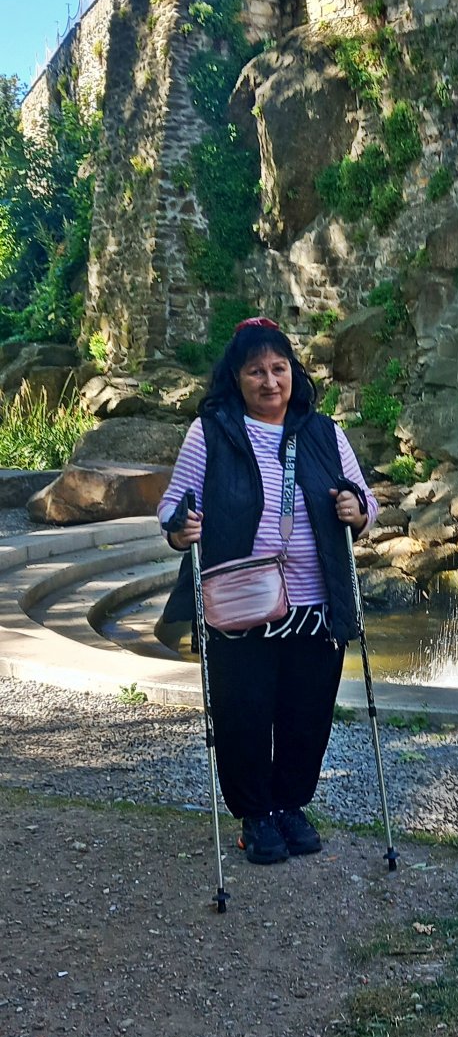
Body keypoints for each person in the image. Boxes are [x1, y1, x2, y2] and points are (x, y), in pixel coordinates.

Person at [158, 317, 378, 866]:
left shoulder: (324, 433)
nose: (270, 381)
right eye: (256, 371)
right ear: (236, 377)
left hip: (316, 604)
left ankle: (290, 806)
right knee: (244, 714)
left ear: (293, 372)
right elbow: (172, 507)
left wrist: (357, 509)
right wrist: (180, 527)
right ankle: (255, 816)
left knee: (307, 714)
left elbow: (365, 502)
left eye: (279, 368)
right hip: (239, 607)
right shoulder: (211, 432)